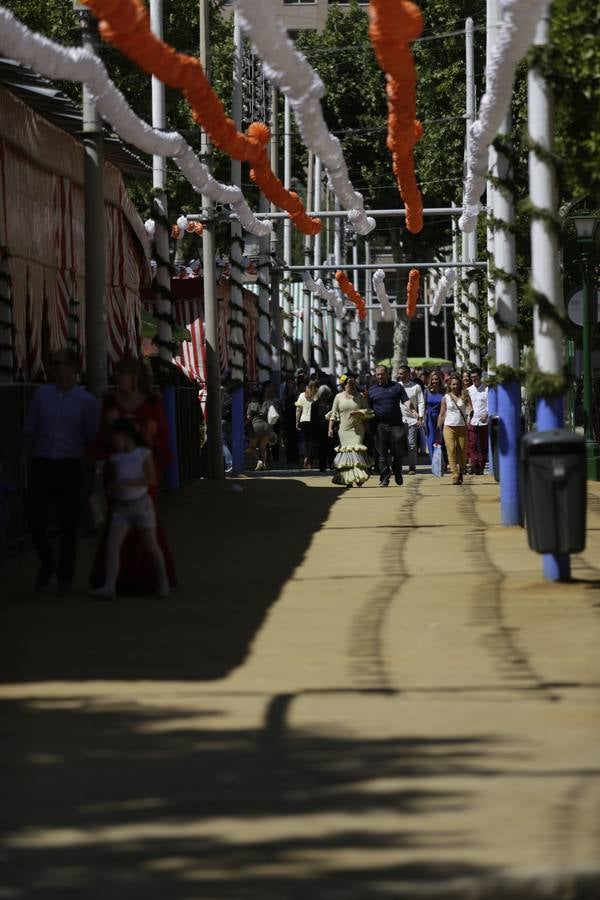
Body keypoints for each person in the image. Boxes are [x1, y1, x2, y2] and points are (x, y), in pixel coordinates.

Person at [90, 358, 176, 594]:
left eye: (122, 374)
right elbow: (102, 437)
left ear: (135, 377)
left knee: (147, 531)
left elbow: (161, 438)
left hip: (144, 469)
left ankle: (153, 580)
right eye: (116, 373)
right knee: (115, 531)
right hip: (117, 469)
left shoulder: (151, 402)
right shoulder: (110, 401)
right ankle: (112, 582)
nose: (117, 378)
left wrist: (147, 435)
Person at [21, 348, 99, 591]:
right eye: (52, 364)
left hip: (70, 465)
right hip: (42, 462)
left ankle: (64, 576)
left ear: (73, 368)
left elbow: (91, 439)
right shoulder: (41, 395)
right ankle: (47, 561)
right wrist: (24, 459)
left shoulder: (86, 402)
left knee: (68, 524)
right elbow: (29, 429)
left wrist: (90, 472)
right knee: (34, 518)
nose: (54, 369)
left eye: (58, 364)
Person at [91, 419, 170, 599]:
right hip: (122, 506)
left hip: (141, 504)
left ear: (125, 436)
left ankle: (163, 581)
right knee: (113, 546)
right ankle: (109, 586)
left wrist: (126, 484)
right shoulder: (115, 457)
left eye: (115, 438)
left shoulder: (143, 454)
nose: (113, 442)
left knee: (151, 545)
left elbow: (152, 479)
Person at [367, 365, 413, 487]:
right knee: (382, 455)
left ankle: (397, 470)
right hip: (379, 426)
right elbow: (368, 409)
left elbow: (406, 401)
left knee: (398, 453)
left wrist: (413, 410)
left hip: (396, 426)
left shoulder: (397, 387)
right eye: (378, 375)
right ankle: (384, 478)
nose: (380, 377)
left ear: (387, 374)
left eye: (382, 374)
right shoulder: (371, 390)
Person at [328, 374, 373, 486]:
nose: (352, 386)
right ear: (344, 385)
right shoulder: (338, 397)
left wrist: (360, 413)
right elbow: (333, 413)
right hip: (344, 430)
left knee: (356, 452)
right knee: (347, 454)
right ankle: (348, 479)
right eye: (350, 384)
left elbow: (368, 412)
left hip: (358, 430)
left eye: (354, 384)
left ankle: (359, 477)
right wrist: (330, 428)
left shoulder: (360, 396)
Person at [437, 373, 473, 485]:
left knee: (462, 453)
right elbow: (442, 414)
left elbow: (469, 407)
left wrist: (470, 414)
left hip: (462, 427)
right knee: (451, 450)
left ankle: (461, 471)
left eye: (457, 384)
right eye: (453, 384)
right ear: (449, 385)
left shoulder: (464, 395)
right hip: (449, 427)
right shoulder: (446, 398)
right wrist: (438, 427)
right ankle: (454, 474)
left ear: (460, 384)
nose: (455, 386)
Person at [397, 364, 425, 475]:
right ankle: (397, 466)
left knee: (412, 444)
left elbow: (421, 402)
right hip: (398, 420)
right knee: (397, 444)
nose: (399, 376)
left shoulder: (416, 387)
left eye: (401, 373)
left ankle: (412, 466)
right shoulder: (396, 386)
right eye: (398, 373)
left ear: (408, 374)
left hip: (412, 419)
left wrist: (420, 417)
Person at [245, 387, 274, 471]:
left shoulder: (251, 404)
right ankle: (264, 464)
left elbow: (248, 417)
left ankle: (259, 461)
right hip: (266, 426)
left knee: (252, 447)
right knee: (263, 447)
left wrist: (244, 424)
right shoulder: (266, 403)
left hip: (256, 426)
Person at [467, 366, 489, 475]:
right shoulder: (469, 390)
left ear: (480, 377)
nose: (474, 379)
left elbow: (490, 404)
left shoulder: (486, 389)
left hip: (484, 420)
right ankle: (474, 464)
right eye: (472, 377)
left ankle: (481, 465)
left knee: (483, 445)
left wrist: (487, 414)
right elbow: (466, 404)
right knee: (472, 443)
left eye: (475, 377)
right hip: (472, 420)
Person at [295, 375, 319, 469]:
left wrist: (297, 421)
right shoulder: (316, 396)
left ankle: (306, 457)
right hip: (313, 421)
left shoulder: (301, 395)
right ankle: (309, 460)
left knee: (305, 441)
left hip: (303, 420)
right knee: (312, 442)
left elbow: (298, 409)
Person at [424, 370, 446, 461]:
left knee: (440, 439)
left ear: (439, 380)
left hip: (441, 416)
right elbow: (423, 405)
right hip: (429, 417)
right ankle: (433, 460)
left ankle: (442, 459)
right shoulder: (426, 391)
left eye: (436, 379)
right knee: (431, 439)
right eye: (432, 379)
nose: (434, 381)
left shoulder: (443, 391)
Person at [282, 376, 300, 465]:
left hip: (295, 417)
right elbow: (283, 404)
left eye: (291, 383)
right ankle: (289, 458)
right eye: (288, 383)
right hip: (287, 417)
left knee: (295, 438)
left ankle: (295, 458)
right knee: (288, 439)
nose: (290, 384)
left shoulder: (297, 393)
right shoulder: (284, 393)